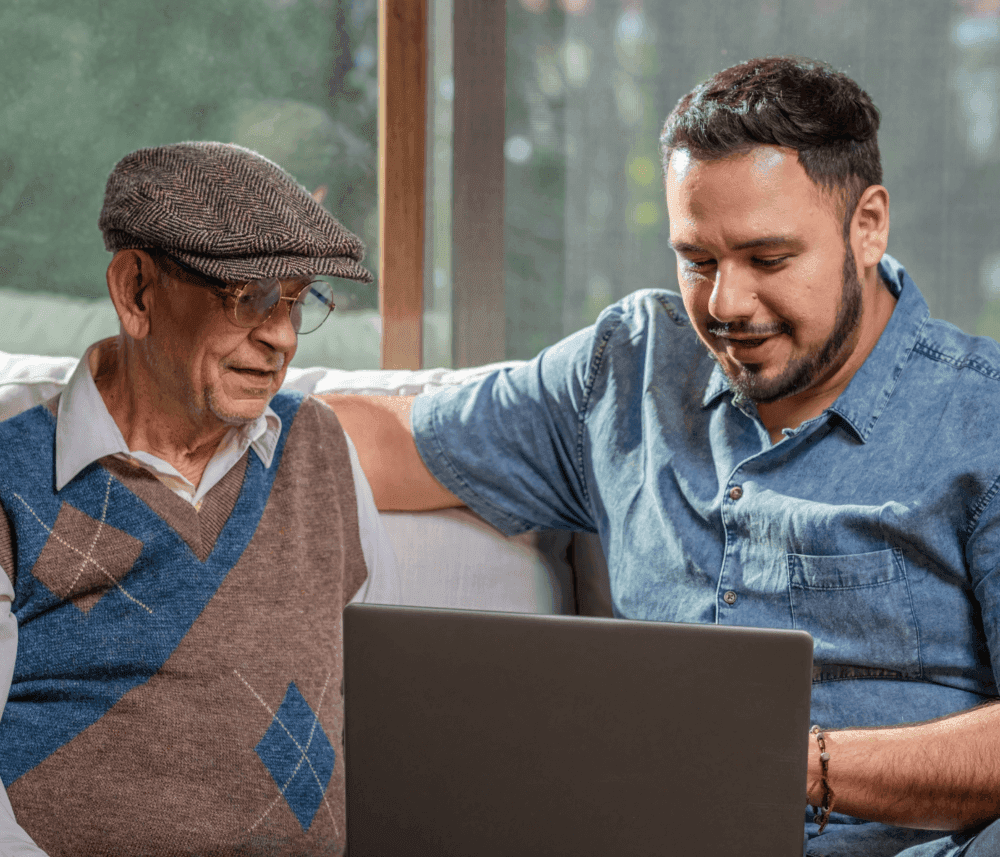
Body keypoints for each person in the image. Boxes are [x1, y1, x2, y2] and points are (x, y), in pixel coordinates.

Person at [327, 57, 1000, 856]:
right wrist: (174, 397)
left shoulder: (981, 420)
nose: (726, 305)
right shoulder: (630, 369)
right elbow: (383, 443)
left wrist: (791, 761)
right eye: (698, 260)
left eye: (768, 259)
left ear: (868, 225)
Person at [0, 142, 397, 855]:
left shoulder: (318, 450)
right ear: (137, 291)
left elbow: (387, 704)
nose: (280, 335)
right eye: (250, 295)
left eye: (298, 299)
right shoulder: (11, 468)